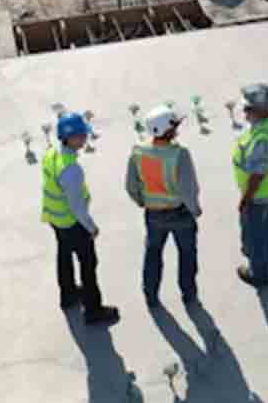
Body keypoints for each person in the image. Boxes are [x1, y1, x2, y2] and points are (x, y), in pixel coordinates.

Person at [42, 112, 120, 325]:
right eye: (82, 135)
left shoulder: (51, 154)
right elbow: (76, 206)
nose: (86, 138)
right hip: (72, 223)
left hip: (55, 219)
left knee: (64, 256)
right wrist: (91, 227)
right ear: (71, 138)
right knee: (88, 265)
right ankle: (93, 309)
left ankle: (68, 296)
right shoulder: (71, 169)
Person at [125, 104, 203, 307]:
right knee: (187, 254)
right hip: (180, 214)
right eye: (174, 126)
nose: (177, 129)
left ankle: (151, 295)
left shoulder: (138, 152)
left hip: (153, 214)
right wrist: (195, 209)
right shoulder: (180, 154)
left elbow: (131, 186)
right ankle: (188, 293)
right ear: (168, 130)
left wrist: (143, 202)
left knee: (153, 254)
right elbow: (189, 189)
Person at [233, 83, 268, 287]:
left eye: (248, 109)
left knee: (254, 232)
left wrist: (245, 199)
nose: (244, 112)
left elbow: (257, 175)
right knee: (264, 225)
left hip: (259, 193)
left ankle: (258, 273)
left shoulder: (262, 139)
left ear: (260, 110)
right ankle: (266, 257)